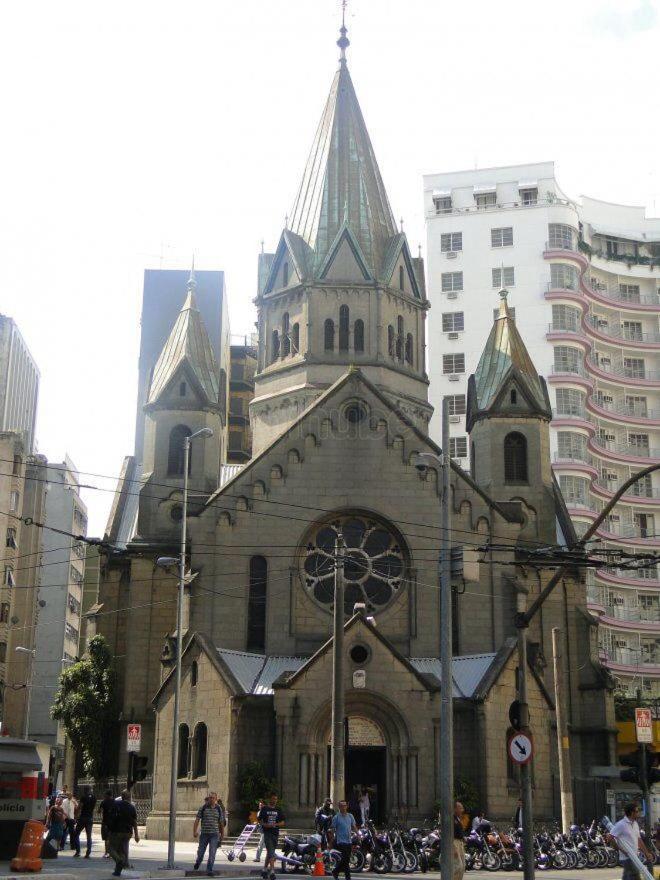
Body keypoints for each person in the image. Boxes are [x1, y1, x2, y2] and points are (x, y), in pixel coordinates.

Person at [610, 802, 654, 880]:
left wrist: (646, 853)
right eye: (637, 811)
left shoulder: (635, 824)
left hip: (635, 856)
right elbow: (610, 837)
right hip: (627, 858)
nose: (638, 813)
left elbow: (639, 840)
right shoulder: (621, 824)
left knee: (627, 877)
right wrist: (621, 850)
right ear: (632, 813)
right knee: (635, 875)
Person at [106, 789, 139, 877]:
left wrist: (109, 830)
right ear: (129, 797)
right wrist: (136, 835)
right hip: (128, 833)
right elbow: (135, 822)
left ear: (122, 796)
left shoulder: (116, 804)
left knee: (110, 848)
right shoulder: (132, 807)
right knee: (122, 851)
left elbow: (110, 818)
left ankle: (119, 861)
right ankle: (117, 871)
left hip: (117, 831)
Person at [193, 791, 226, 876]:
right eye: (210, 798)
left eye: (213, 798)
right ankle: (198, 862)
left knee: (212, 853)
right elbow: (197, 820)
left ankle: (209, 870)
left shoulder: (218, 809)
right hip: (204, 834)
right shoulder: (203, 808)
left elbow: (221, 823)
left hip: (214, 835)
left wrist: (222, 835)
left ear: (216, 799)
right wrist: (195, 831)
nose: (211, 799)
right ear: (208, 798)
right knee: (201, 852)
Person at [257, 793, 285, 880]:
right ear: (270, 799)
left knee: (270, 852)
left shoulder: (278, 810)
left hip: (275, 833)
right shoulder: (265, 809)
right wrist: (265, 825)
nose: (274, 801)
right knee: (271, 851)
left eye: (276, 799)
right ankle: (272, 871)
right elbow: (259, 820)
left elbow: (283, 822)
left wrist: (275, 824)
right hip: (267, 833)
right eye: (273, 799)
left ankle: (264, 869)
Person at [329, 800, 357, 880]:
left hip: (349, 840)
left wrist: (358, 835)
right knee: (345, 859)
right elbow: (332, 829)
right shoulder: (336, 817)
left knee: (346, 860)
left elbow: (354, 826)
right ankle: (348, 877)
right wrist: (331, 841)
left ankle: (335, 871)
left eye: (345, 805)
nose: (344, 807)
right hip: (340, 841)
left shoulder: (350, 816)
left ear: (347, 806)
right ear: (339, 807)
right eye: (342, 806)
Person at [73, 785, 97, 858]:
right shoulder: (94, 798)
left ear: (85, 790)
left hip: (83, 817)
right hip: (90, 818)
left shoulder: (83, 797)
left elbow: (79, 807)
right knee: (89, 836)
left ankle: (78, 851)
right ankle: (88, 852)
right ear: (90, 790)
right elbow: (94, 807)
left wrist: (76, 816)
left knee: (76, 834)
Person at [99, 789, 115, 858]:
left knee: (106, 838)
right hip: (113, 822)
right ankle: (111, 852)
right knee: (112, 838)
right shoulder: (115, 802)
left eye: (105, 795)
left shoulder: (103, 802)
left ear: (107, 795)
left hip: (105, 822)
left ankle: (107, 852)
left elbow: (99, 811)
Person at [453, 801, 466, 880]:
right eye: (460, 808)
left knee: (462, 867)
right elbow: (449, 833)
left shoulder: (458, 819)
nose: (462, 810)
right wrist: (453, 847)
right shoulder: (451, 818)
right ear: (455, 809)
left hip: (460, 843)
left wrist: (463, 837)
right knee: (458, 866)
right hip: (454, 842)